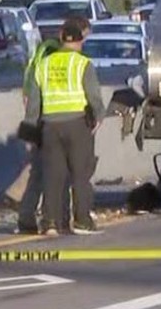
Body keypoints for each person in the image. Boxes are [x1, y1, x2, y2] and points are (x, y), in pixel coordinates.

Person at [25, 17, 105, 235]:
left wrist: (31, 130)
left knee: (53, 175)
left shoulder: (43, 65)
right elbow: (94, 98)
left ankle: (51, 222)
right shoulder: (82, 63)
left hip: (50, 126)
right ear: (80, 42)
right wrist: (99, 118)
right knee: (80, 174)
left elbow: (33, 104)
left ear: (61, 39)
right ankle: (82, 221)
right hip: (77, 124)